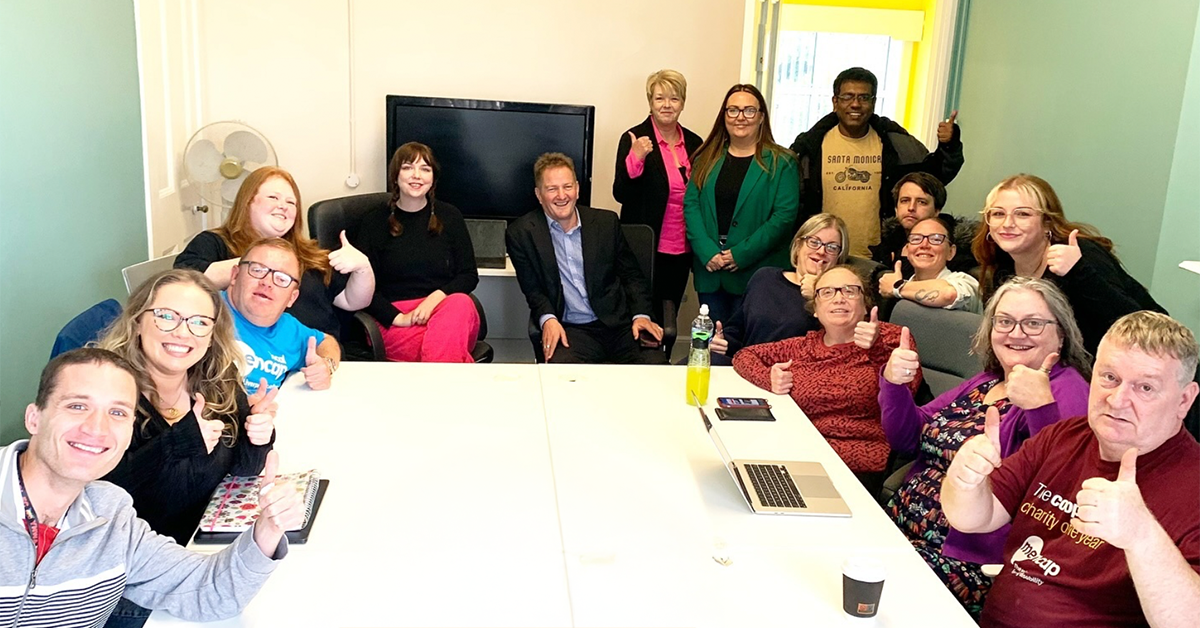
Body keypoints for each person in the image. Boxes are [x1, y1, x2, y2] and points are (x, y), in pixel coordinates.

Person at [0, 349, 302, 626]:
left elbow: (208, 592)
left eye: (117, 413)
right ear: (34, 418)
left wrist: (266, 532)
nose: (96, 428)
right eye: (77, 406)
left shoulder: (111, 515)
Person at [943, 311, 1200, 627]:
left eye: (1145, 388)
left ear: (1184, 401)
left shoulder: (1194, 486)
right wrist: (965, 480)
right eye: (1109, 377)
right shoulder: (1063, 436)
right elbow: (974, 518)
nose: (1117, 400)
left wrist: (1142, 536)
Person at [879, 277, 1091, 616]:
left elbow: (1063, 484)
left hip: (967, 560)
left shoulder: (1066, 388)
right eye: (1004, 321)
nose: (1016, 333)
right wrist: (894, 385)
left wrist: (1039, 408)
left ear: (1061, 334)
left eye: (1033, 323)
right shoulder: (987, 381)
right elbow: (907, 439)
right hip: (899, 525)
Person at [94, 268, 277, 627]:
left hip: (201, 550)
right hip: (131, 581)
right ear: (136, 322)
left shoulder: (214, 377)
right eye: (166, 316)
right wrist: (177, 443)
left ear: (212, 334)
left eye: (199, 322)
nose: (182, 332)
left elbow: (241, 468)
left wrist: (259, 434)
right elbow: (97, 493)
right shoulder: (108, 392)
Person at [732, 264, 916, 493]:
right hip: (797, 454)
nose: (839, 298)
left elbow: (906, 395)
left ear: (866, 305)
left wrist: (875, 347)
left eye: (850, 291)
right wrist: (769, 377)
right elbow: (744, 356)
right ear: (815, 310)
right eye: (827, 292)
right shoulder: (803, 346)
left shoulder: (893, 338)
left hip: (856, 469)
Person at [175, 166, 374, 346]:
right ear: (248, 202)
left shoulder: (310, 254)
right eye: (273, 198)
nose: (283, 206)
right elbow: (186, 283)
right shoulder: (214, 243)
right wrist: (262, 260)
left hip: (317, 359)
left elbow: (353, 301)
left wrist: (362, 268)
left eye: (291, 202)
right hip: (249, 362)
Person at [972, 174, 1165, 354]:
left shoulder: (1081, 254)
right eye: (997, 214)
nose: (1007, 223)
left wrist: (1080, 272)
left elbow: (1132, 324)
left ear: (1047, 222)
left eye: (1022, 214)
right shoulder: (1002, 268)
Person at [507, 152, 665, 364]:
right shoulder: (521, 233)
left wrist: (641, 315)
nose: (561, 195)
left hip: (619, 325)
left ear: (578, 189)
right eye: (552, 189)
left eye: (567, 186)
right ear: (538, 194)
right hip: (571, 330)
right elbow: (533, 290)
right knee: (561, 379)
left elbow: (632, 276)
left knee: (657, 371)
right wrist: (548, 320)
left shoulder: (606, 222)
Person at [789, 67, 964, 257]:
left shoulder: (897, 144)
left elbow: (936, 177)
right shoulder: (810, 147)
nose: (856, 104)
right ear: (835, 102)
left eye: (864, 98)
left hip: (881, 257)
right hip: (824, 255)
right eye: (848, 97)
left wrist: (949, 145)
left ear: (873, 102)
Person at [683, 83, 799, 325]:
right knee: (714, 345)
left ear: (761, 117)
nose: (740, 117)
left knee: (750, 347)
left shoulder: (782, 162)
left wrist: (739, 254)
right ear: (724, 116)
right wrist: (707, 251)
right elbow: (691, 206)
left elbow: (783, 218)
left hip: (757, 271)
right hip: (711, 270)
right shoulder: (706, 159)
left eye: (749, 111)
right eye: (733, 110)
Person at [353, 142, 480, 363]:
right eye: (408, 167)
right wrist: (399, 318)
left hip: (445, 311)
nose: (417, 175)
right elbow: (361, 288)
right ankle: (447, 385)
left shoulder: (450, 216)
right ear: (395, 175)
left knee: (461, 303)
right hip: (392, 321)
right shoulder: (373, 222)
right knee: (449, 346)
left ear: (433, 179)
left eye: (425, 169)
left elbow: (468, 275)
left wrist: (435, 299)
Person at [614, 69, 704, 325]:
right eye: (659, 98)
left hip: (683, 246)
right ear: (650, 102)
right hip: (646, 243)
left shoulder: (696, 142)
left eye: (674, 99)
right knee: (641, 312)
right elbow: (620, 193)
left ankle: (662, 361)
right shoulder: (634, 138)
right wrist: (636, 158)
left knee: (669, 315)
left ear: (683, 103)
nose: (667, 105)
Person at [710, 213, 848, 365]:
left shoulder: (841, 297)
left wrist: (818, 294)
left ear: (839, 257)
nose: (821, 251)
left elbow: (839, 347)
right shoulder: (764, 277)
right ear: (798, 245)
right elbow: (737, 331)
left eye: (832, 247)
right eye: (814, 242)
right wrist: (721, 342)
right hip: (746, 368)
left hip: (793, 377)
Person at [226, 238, 339, 393]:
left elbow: (327, 341)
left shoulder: (289, 329)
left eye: (281, 279)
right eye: (258, 270)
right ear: (234, 275)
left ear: (292, 298)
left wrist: (326, 365)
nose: (267, 282)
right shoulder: (204, 311)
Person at [876, 214, 981, 312]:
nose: (924, 245)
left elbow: (948, 294)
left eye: (936, 239)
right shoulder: (903, 287)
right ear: (907, 250)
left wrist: (897, 287)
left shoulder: (965, 282)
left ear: (951, 252)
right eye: (916, 239)